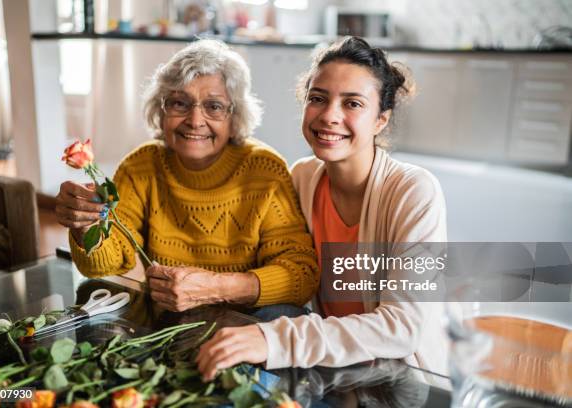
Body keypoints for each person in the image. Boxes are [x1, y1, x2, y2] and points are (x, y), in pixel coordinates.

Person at [196, 37, 448, 379]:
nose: (329, 116)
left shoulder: (413, 191)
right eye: (318, 98)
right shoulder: (301, 177)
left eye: (353, 104)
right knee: (270, 313)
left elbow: (400, 328)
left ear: (380, 120)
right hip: (330, 362)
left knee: (270, 325)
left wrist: (272, 340)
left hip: (398, 378)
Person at [55, 39, 319, 313]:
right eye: (180, 103)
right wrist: (85, 224)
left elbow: (301, 273)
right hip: (169, 317)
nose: (195, 120)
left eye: (214, 107)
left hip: (246, 319)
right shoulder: (141, 166)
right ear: (161, 110)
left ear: (235, 116)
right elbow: (105, 264)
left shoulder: (265, 170)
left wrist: (217, 288)